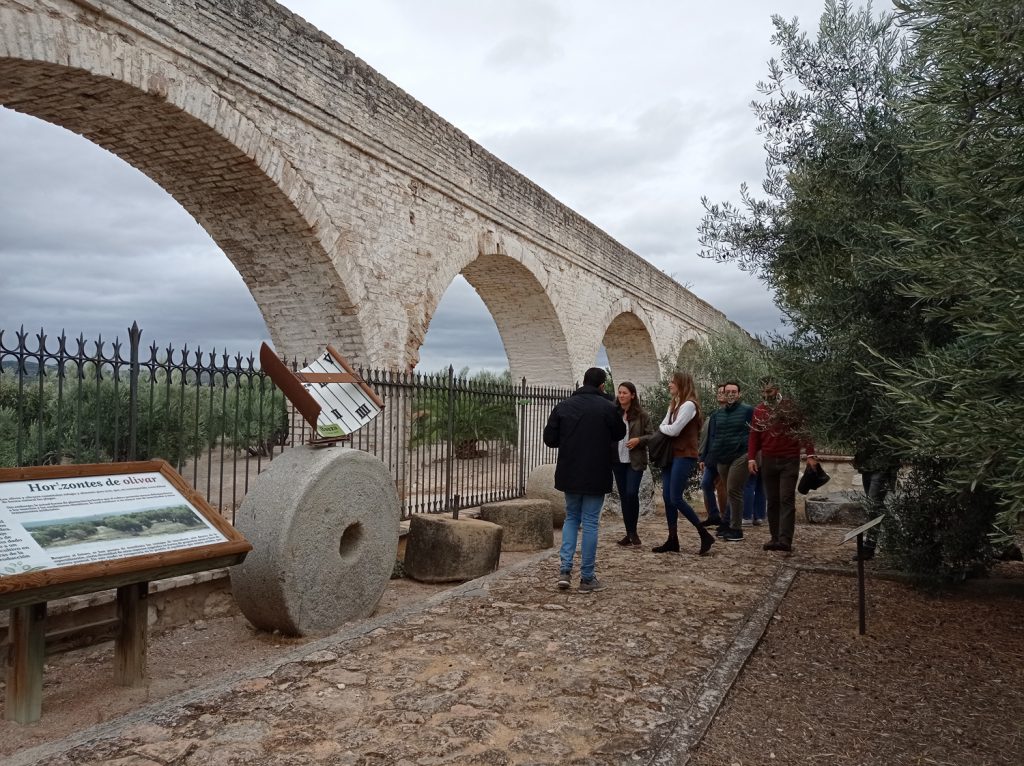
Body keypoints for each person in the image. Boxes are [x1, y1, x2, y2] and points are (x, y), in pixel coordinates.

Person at [544, 367, 626, 592]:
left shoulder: (563, 406)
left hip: (570, 470)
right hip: (596, 471)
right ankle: (587, 577)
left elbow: (549, 439)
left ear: (583, 382)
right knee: (590, 522)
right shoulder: (608, 408)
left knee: (571, 517)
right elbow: (619, 433)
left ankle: (565, 570)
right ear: (602, 385)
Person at [651, 372, 716, 556]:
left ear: (681, 384)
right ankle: (673, 539)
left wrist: (664, 429)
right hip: (671, 456)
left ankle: (704, 534)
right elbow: (666, 426)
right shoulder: (674, 404)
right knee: (667, 497)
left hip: (685, 455)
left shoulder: (689, 405)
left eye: (672, 382)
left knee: (675, 497)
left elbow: (673, 430)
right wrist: (665, 428)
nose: (669, 385)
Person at [747, 382, 817, 552]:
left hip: (789, 459)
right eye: (763, 391)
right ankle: (775, 537)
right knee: (772, 500)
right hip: (769, 459)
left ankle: (785, 540)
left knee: (786, 498)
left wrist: (810, 454)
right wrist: (751, 458)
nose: (766, 394)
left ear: (777, 389)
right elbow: (754, 436)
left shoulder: (790, 407)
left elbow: (804, 430)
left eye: (769, 391)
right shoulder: (759, 410)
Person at [708, 380, 754, 542]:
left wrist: (753, 455)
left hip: (740, 456)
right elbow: (714, 436)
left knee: (734, 490)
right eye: (728, 391)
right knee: (729, 491)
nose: (731, 394)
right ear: (724, 393)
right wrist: (711, 456)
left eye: (734, 391)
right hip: (722, 457)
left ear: (739, 394)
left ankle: (736, 529)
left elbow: (755, 432)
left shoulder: (748, 410)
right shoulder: (717, 414)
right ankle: (727, 524)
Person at [613, 381, 653, 547]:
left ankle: (633, 531)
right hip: (618, 460)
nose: (621, 395)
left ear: (632, 395)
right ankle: (629, 533)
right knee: (624, 497)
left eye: (625, 393)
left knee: (631, 493)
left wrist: (638, 440)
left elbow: (652, 436)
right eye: (620, 392)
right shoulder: (613, 413)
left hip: (635, 461)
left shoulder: (642, 415)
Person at [852, 442, 898, 560]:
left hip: (882, 468)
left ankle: (869, 547)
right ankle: (896, 535)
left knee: (873, 507)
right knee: (875, 507)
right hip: (866, 467)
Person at [697, 384, 727, 527]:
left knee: (722, 486)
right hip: (711, 457)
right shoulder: (714, 415)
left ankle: (724, 517)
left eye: (723, 392)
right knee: (706, 484)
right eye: (719, 392)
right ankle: (713, 515)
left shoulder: (730, 415)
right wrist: (702, 457)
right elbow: (708, 438)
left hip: (724, 457)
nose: (720, 394)